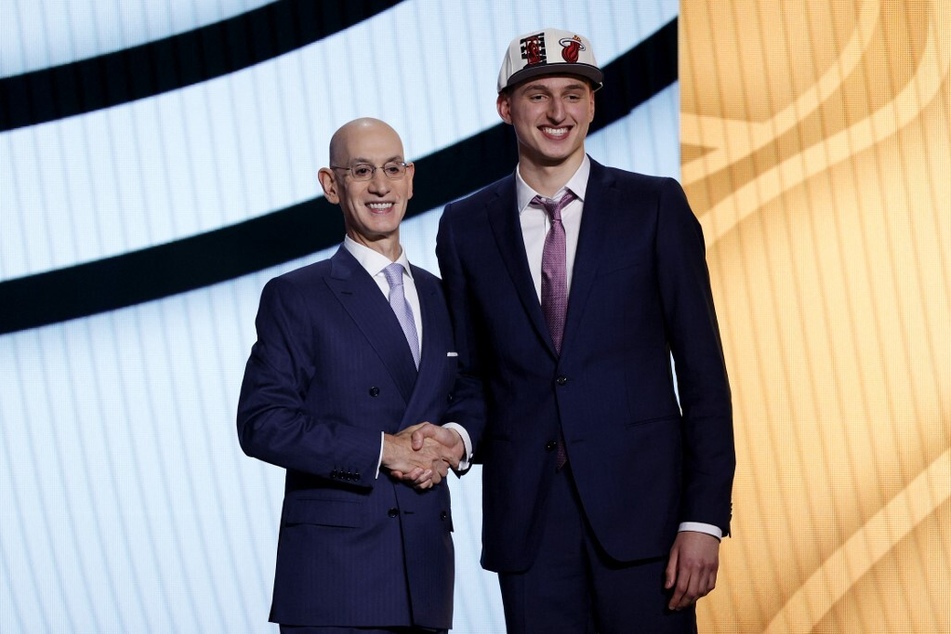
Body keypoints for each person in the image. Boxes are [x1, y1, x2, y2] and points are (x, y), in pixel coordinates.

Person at [434, 29, 735, 633]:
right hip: (529, 527)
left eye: (574, 94)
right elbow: (471, 374)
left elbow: (702, 372)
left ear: (593, 105)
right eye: (538, 95)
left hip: (647, 521)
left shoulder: (653, 206)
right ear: (506, 108)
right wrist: (455, 437)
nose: (557, 112)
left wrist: (702, 519)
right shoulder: (465, 226)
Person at [237, 117, 466, 634]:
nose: (380, 186)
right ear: (331, 184)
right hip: (335, 577)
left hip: (426, 573)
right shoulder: (296, 295)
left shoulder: (443, 294)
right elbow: (262, 422)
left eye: (391, 169)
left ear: (410, 178)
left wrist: (452, 441)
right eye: (362, 171)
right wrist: (382, 449)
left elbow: (472, 391)